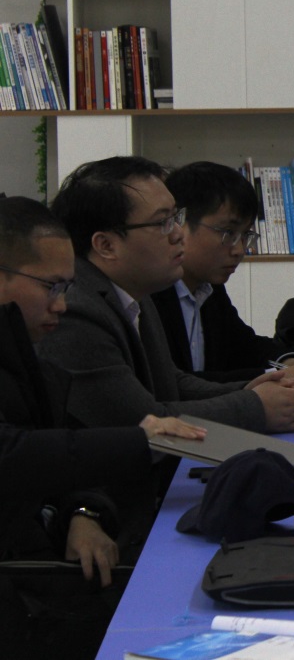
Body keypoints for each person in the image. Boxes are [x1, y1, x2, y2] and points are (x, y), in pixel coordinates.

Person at [0, 196, 205, 659]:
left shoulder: (25, 351)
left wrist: (84, 512)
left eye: (67, 287)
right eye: (51, 286)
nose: (61, 304)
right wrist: (142, 440)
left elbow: (59, 444)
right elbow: (12, 454)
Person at [36, 156, 294, 434]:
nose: (178, 234)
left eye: (176, 218)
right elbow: (143, 424)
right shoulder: (77, 311)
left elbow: (171, 383)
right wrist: (255, 406)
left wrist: (254, 388)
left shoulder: (134, 293)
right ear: (106, 245)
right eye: (162, 222)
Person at [151, 161, 294, 384]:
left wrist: (289, 361)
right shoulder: (149, 294)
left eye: (245, 235)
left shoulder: (209, 289)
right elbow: (171, 383)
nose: (239, 250)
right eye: (228, 233)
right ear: (180, 223)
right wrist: (270, 377)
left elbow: (244, 346)